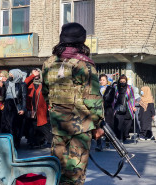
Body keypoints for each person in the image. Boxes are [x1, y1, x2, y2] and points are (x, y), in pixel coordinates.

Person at [42, 23, 104, 185]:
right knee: (75, 174)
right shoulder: (84, 65)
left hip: (58, 126)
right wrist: (97, 125)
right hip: (80, 128)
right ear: (81, 41)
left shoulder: (49, 63)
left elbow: (45, 93)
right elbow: (93, 99)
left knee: (58, 170)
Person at [1, 69, 27, 148]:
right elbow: (3, 94)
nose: (10, 76)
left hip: (16, 105)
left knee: (14, 125)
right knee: (5, 124)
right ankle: (6, 143)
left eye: (11, 74)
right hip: (7, 105)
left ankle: (15, 143)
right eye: (9, 74)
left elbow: (24, 98)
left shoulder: (22, 84)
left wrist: (23, 108)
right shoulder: (7, 83)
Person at [24, 68, 50, 148]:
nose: (36, 74)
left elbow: (48, 96)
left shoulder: (43, 84)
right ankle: (33, 142)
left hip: (41, 109)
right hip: (31, 109)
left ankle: (48, 141)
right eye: (34, 73)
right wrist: (32, 75)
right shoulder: (29, 84)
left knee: (43, 126)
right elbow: (24, 83)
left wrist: (49, 106)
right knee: (32, 126)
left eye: (37, 73)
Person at [113, 75, 136, 143]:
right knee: (119, 123)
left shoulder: (129, 87)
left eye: (124, 81)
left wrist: (133, 106)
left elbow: (132, 97)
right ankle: (120, 137)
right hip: (118, 107)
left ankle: (124, 135)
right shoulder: (116, 87)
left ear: (126, 81)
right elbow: (114, 97)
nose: (122, 82)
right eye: (121, 81)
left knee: (127, 122)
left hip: (127, 107)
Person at [95, 74, 115, 151]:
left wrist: (103, 101)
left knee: (107, 126)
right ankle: (98, 145)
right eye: (101, 80)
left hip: (107, 110)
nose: (102, 81)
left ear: (107, 81)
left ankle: (107, 142)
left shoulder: (111, 89)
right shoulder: (96, 89)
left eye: (103, 80)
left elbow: (111, 99)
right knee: (98, 126)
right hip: (98, 110)